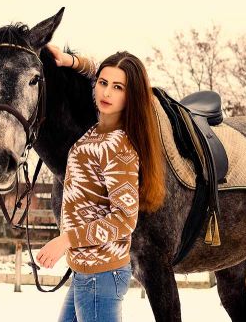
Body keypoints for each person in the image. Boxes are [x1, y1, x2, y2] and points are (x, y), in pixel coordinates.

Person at [36, 44, 166, 322]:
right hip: (87, 270)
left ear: (131, 96)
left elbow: (124, 219)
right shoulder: (98, 127)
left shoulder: (118, 147)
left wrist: (66, 240)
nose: (106, 92)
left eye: (118, 88)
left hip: (101, 276)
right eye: (103, 84)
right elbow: (94, 69)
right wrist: (69, 60)